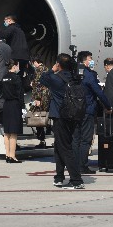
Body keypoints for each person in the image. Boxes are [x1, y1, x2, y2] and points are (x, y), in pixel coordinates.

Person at [38, 54, 84, 189]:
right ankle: (59, 177)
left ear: (58, 64)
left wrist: (53, 69)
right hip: (73, 115)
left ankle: (76, 180)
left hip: (60, 116)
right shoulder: (75, 78)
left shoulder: (56, 78)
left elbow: (42, 78)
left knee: (65, 148)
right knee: (59, 146)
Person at [75, 51, 112, 174]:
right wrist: (107, 105)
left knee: (76, 138)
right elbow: (98, 92)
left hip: (73, 110)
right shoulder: (89, 75)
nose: (91, 61)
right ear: (85, 60)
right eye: (90, 58)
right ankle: (82, 165)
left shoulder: (73, 73)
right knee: (86, 139)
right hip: (87, 109)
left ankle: (74, 163)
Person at [0, 14, 30, 83]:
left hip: (16, 56)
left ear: (9, 20)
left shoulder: (12, 28)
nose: (4, 22)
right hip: (24, 57)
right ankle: (21, 91)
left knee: (13, 75)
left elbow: (4, 35)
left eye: (5, 20)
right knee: (20, 76)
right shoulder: (20, 30)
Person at [0, 61, 25, 163]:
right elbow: (20, 93)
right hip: (14, 104)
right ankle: (12, 156)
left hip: (6, 105)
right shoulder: (16, 78)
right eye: (17, 65)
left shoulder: (4, 77)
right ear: (14, 66)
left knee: (7, 132)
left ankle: (7, 154)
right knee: (13, 132)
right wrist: (23, 107)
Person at [29, 57, 51, 148]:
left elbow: (38, 84)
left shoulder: (38, 70)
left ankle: (42, 139)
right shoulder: (47, 69)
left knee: (38, 118)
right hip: (47, 96)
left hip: (40, 97)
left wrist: (37, 98)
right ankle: (48, 130)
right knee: (45, 115)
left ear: (35, 62)